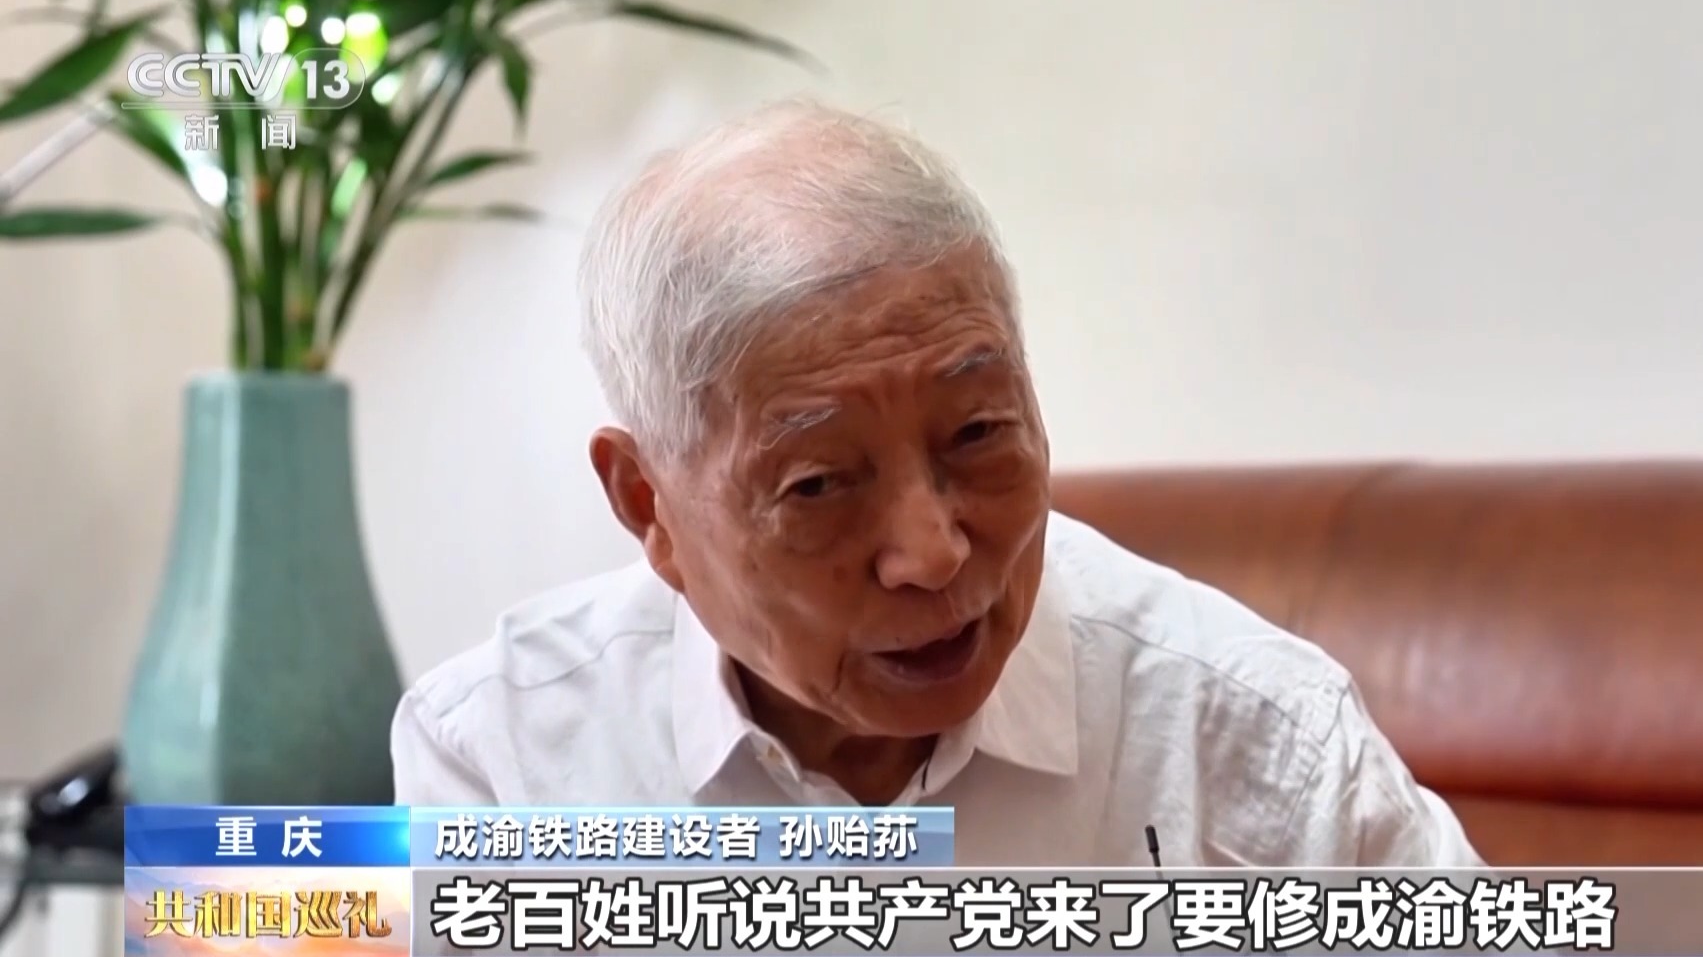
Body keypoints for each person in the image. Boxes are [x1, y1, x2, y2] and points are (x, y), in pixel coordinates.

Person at [390, 99, 1484, 868]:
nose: (933, 553)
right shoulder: (502, 754)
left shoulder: (1251, 740)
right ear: (648, 504)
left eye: (978, 433)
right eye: (820, 484)